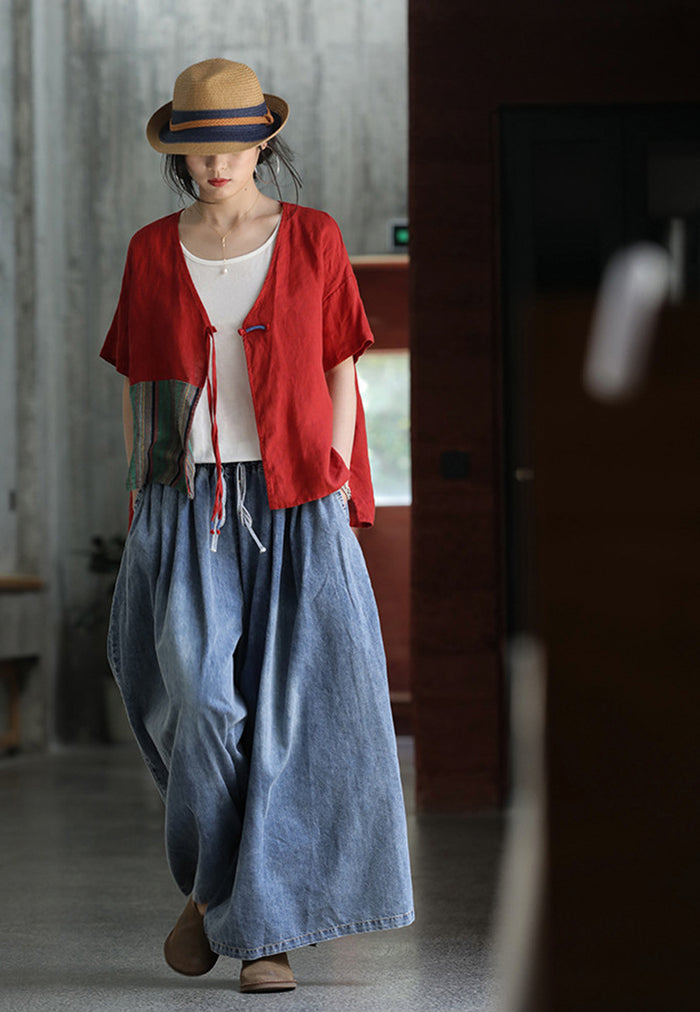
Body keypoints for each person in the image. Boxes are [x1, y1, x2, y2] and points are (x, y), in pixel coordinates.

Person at [100, 58, 414, 995]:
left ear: (261, 144)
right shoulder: (152, 251)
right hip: (188, 506)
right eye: (199, 149)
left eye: (232, 145)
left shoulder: (314, 238)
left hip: (296, 503)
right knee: (203, 703)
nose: (216, 163)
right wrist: (142, 501)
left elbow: (341, 369)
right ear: (179, 155)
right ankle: (213, 890)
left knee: (293, 723)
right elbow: (137, 385)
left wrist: (333, 486)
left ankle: (261, 935)